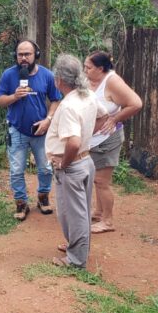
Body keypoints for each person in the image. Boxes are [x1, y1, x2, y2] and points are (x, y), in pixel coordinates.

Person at [47, 54, 108, 269]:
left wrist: (64, 164)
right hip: (86, 161)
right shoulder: (88, 95)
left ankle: (76, 260)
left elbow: (72, 142)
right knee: (79, 211)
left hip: (72, 165)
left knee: (74, 214)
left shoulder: (69, 105)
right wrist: (86, 136)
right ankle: (77, 248)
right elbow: (103, 117)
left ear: (59, 80)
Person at [0, 39, 62, 220]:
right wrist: (14, 96)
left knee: (46, 169)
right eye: (20, 54)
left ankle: (43, 198)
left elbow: (56, 99)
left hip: (41, 131)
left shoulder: (47, 75)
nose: (23, 58)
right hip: (17, 130)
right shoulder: (8, 75)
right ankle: (21, 204)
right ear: (15, 56)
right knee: (17, 170)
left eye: (27, 54)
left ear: (36, 55)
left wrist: (48, 120)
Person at [84, 51, 143, 234]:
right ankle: (99, 212)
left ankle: (108, 221)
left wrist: (116, 118)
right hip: (94, 140)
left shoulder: (112, 81)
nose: (85, 70)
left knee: (102, 181)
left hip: (107, 140)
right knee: (96, 180)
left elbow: (136, 103)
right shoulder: (93, 80)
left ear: (101, 69)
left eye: (89, 67)